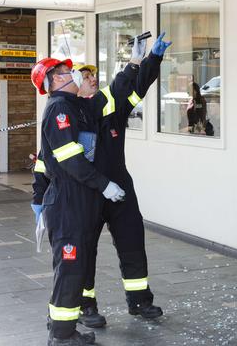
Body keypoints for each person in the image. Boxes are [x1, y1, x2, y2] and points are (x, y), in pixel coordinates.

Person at [31, 58, 126, 346]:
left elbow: (103, 100)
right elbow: (70, 159)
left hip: (79, 202)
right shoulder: (60, 108)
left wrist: (133, 66)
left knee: (75, 268)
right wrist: (104, 184)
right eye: (65, 71)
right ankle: (61, 336)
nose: (73, 74)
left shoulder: (74, 106)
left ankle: (63, 327)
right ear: (55, 80)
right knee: (71, 270)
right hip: (68, 203)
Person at [79, 33, 171, 325]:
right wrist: (40, 196)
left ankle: (140, 300)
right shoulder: (70, 112)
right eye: (86, 77)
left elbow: (136, 88)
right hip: (88, 192)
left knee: (132, 241)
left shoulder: (112, 110)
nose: (93, 79)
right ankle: (85, 305)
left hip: (120, 189)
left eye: (93, 75)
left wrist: (152, 59)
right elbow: (119, 89)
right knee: (85, 251)